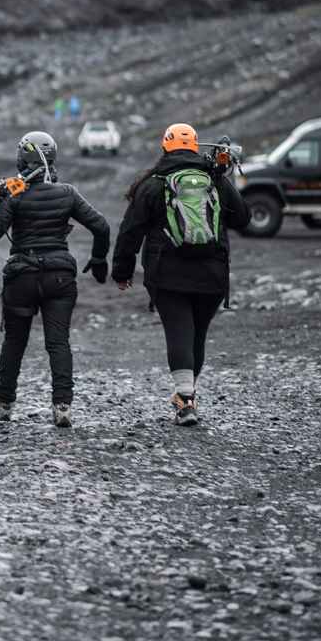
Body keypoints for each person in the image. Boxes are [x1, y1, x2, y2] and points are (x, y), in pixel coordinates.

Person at [111, 123, 248, 426]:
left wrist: (121, 271)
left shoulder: (153, 184)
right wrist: (224, 178)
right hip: (212, 275)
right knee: (196, 334)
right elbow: (243, 218)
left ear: (165, 148)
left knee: (178, 331)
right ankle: (189, 395)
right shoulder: (214, 180)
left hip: (168, 274)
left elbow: (130, 231)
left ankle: (185, 401)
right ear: (196, 147)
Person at [0, 131, 110, 428]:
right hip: (60, 278)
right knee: (58, 342)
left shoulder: (15, 194)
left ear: (21, 159)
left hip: (21, 278)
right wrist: (99, 260)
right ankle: (62, 406)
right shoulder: (68, 193)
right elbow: (101, 226)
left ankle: (5, 403)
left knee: (15, 340)